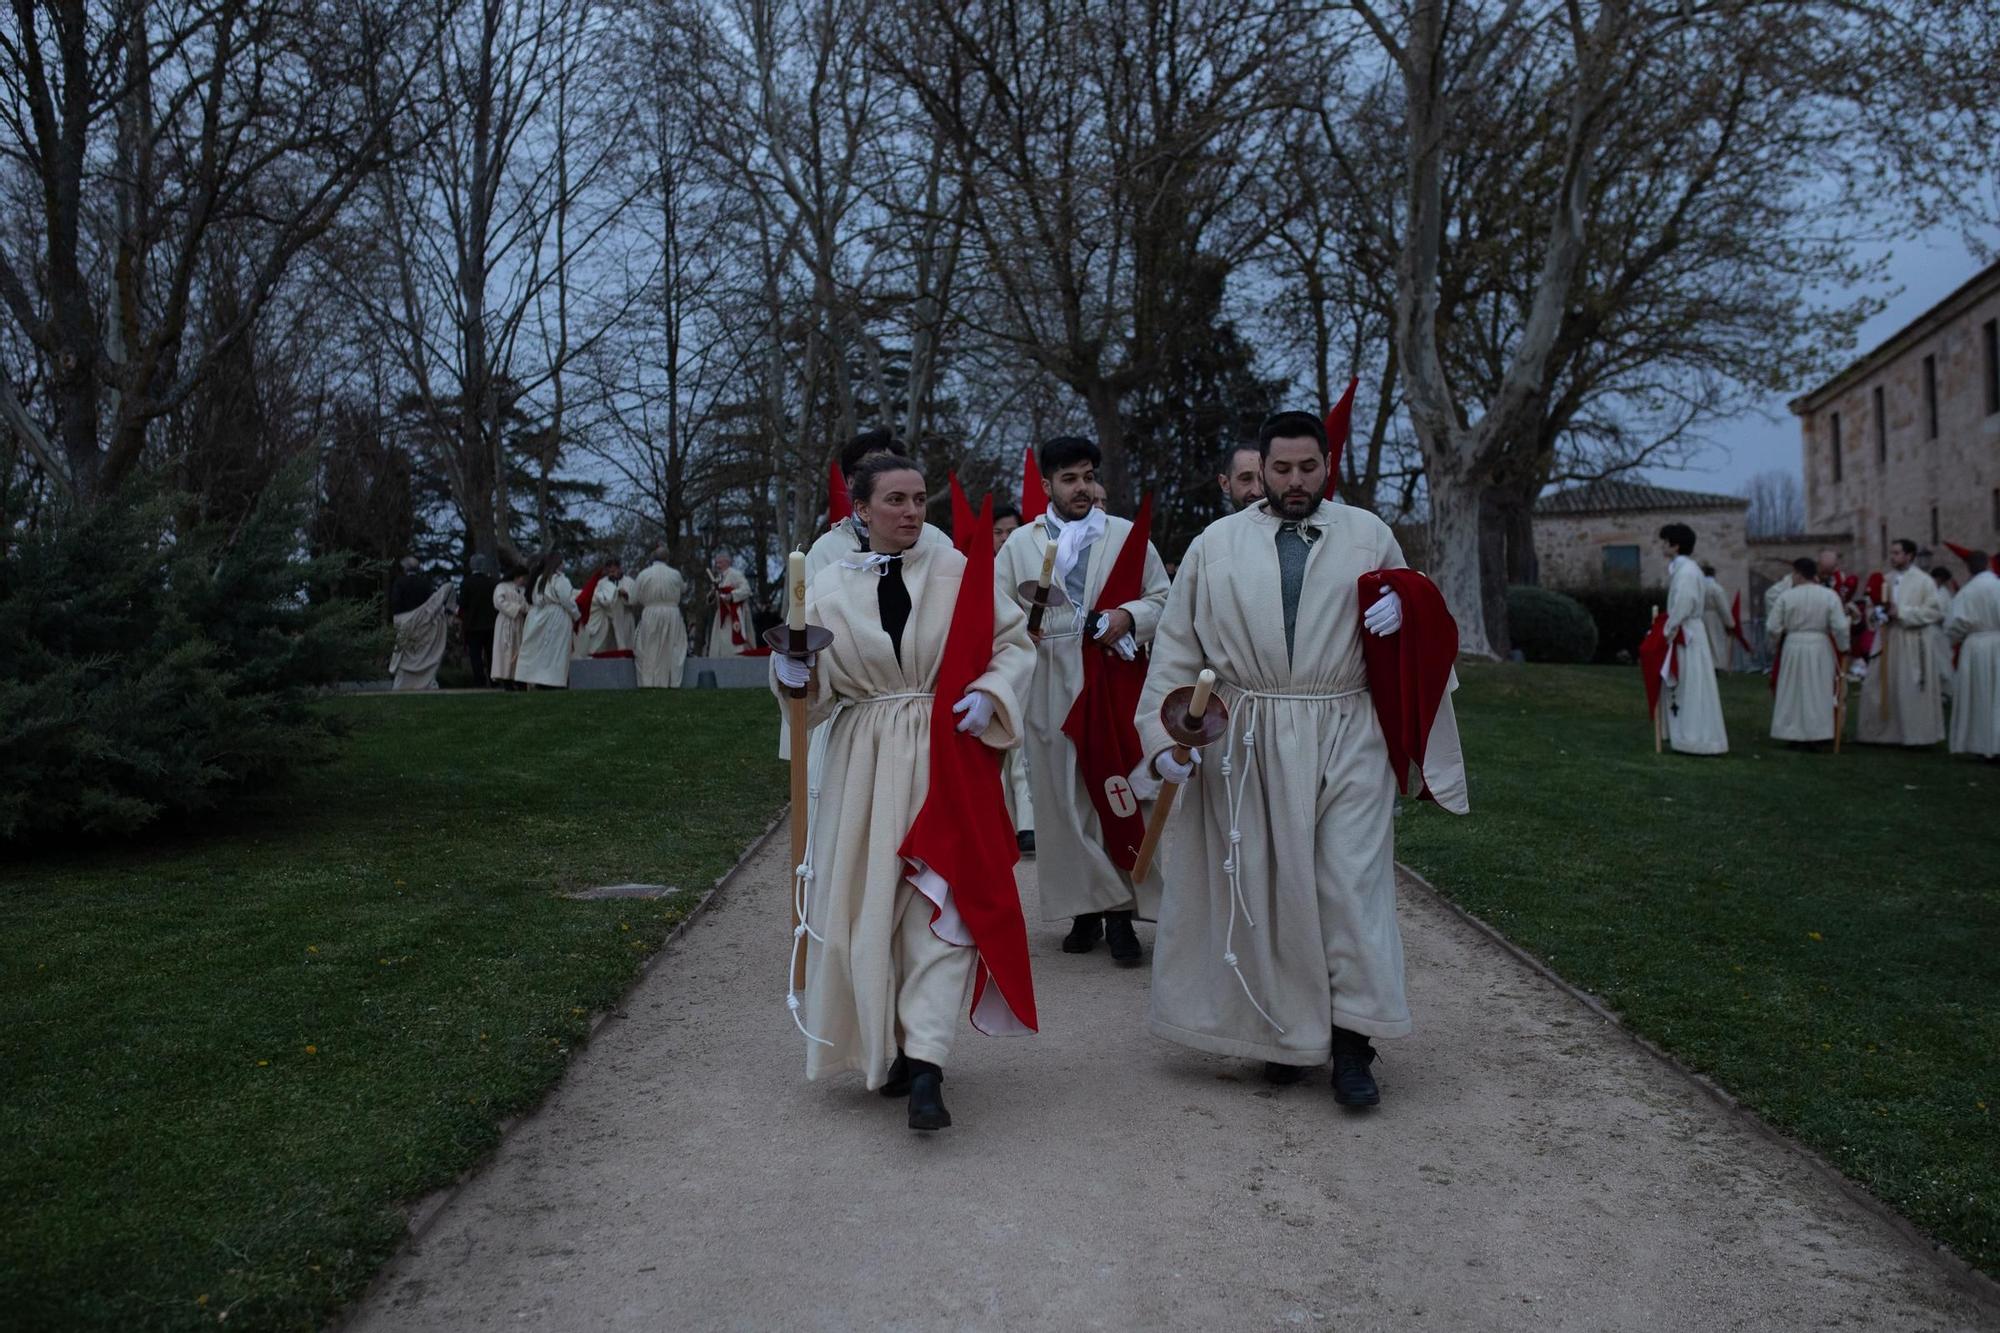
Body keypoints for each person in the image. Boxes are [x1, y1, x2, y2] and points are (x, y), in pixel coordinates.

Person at [1137, 410, 1467, 1107]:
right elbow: (1175, 650)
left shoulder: (1368, 534)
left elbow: (1421, 619)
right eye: (1280, 469)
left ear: (1327, 464)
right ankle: (1286, 1032)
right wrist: (1166, 741)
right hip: (1248, 735)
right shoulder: (1216, 544)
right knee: (1266, 886)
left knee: (1349, 884)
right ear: (1262, 468)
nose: (1294, 481)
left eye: (1307, 468)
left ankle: (1353, 1042)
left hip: (1347, 727)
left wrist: (1409, 609)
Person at [773, 452, 1035, 1130]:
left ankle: (927, 1065)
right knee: (868, 906)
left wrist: (989, 694)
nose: (912, 511)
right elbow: (815, 694)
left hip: (945, 753)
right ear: (861, 508)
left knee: (939, 906)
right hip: (864, 758)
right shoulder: (828, 586)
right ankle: (883, 1046)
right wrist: (793, 669)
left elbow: (1012, 645)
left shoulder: (957, 573)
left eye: (920, 498)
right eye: (895, 499)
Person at [995, 435, 1170, 965]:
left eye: (1088, 476)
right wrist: (1022, 628)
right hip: (1048, 675)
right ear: (1046, 484)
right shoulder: (1021, 544)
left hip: (1111, 676)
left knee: (1111, 791)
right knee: (1061, 798)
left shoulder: (1124, 537)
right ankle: (1084, 909)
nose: (1082, 488)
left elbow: (1165, 597)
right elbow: (995, 607)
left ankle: (1118, 914)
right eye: (1069, 479)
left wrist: (1128, 617)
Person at [805, 428, 951, 578]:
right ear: (851, 481)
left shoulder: (936, 540)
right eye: (874, 468)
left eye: (892, 467)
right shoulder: (826, 551)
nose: (912, 511)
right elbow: (806, 600)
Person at [1857, 538, 1947, 747]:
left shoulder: (1924, 581)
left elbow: (1934, 611)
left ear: (1910, 556)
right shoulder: (1885, 579)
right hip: (1888, 638)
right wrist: (1877, 614)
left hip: (1912, 640)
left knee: (1910, 687)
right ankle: (1883, 733)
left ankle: (1915, 735)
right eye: (1892, 553)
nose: (1893, 557)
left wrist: (1902, 612)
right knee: (1879, 684)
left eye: (1897, 553)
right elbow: (1872, 607)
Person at [1658, 523, 1729, 755]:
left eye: (1664, 541)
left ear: (1675, 545)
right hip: (1689, 630)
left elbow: (1684, 602)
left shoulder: (1687, 571)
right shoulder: (1686, 569)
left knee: (1691, 684)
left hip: (1687, 632)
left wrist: (1670, 627)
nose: (1661, 545)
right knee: (1690, 683)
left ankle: (1694, 737)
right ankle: (1688, 734)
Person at [1766, 557, 1849, 748]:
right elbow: (1840, 626)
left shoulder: (1787, 596)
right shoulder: (1829, 596)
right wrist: (1844, 647)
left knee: (1793, 689)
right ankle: (1818, 733)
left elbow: (1772, 627)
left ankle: (1793, 733)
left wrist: (1776, 641)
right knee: (1818, 689)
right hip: (1820, 646)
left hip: (1793, 646)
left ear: (1797, 573)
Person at [1946, 550, 1999, 760]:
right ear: (1987, 564)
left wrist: (1951, 643)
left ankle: (1981, 743)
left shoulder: (1966, 592)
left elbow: (1954, 625)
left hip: (1975, 647)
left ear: (1968, 567)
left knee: (1979, 696)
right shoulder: (1998, 586)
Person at [388, 556, 459, 691]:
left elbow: (396, 604)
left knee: (406, 655)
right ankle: (425, 681)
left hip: (406, 623)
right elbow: (429, 604)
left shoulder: (400, 582)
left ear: (404, 569)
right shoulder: (424, 583)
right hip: (424, 625)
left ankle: (403, 683)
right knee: (424, 653)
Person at [516, 552, 580, 688]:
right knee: (557, 650)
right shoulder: (559, 579)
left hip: (541, 615)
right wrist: (576, 615)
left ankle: (541, 680)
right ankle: (553, 681)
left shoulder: (539, 579)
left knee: (542, 650)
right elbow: (567, 600)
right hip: (557, 616)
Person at [631, 547, 689, 688]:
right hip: (672, 613)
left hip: (651, 612)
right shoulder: (675, 574)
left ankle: (649, 682)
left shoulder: (644, 574)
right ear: (667, 558)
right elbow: (683, 589)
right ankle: (673, 682)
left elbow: (634, 598)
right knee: (673, 647)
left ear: (652, 558)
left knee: (650, 648)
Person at [574, 558, 629, 657]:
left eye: (615, 569)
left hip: (622, 617)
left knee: (622, 641)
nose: (612, 572)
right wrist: (615, 592)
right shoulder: (601, 583)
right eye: (610, 570)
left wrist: (625, 596)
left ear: (619, 569)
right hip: (604, 618)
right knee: (602, 646)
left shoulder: (628, 581)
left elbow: (632, 598)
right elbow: (598, 597)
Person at [460, 555, 500, 687]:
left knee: (475, 656)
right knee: (491, 654)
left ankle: (479, 681)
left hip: (473, 625)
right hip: (490, 624)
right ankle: (494, 680)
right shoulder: (493, 582)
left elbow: (463, 604)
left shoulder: (466, 583)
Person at [705, 553, 755, 657]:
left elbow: (746, 590)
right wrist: (712, 595)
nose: (717, 565)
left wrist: (731, 595)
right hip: (722, 616)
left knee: (733, 646)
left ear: (727, 562)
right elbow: (713, 598)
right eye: (716, 563)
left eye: (720, 563)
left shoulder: (735, 574)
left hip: (735, 615)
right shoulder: (719, 578)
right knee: (720, 644)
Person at [490, 564, 529, 689]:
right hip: (506, 622)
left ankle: (519, 678)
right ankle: (506, 679)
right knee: (506, 650)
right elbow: (499, 602)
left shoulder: (522, 590)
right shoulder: (501, 587)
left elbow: (526, 604)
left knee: (518, 650)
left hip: (519, 623)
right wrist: (517, 609)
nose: (524, 580)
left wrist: (526, 609)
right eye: (523, 577)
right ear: (517, 576)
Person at [1929, 566, 1957, 703]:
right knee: (1932, 662)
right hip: (1929, 631)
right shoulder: (1927, 590)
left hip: (1941, 632)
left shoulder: (1945, 593)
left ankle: (1946, 691)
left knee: (1944, 662)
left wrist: (1944, 619)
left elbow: (1950, 612)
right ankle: (1934, 693)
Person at [1216, 441, 1265, 512]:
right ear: (1225, 483)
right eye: (1246, 479)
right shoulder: (1220, 523)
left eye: (1264, 479)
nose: (1257, 492)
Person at [1700, 562, 1733, 669]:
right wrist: (1729, 623)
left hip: (1700, 616)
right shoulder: (1716, 588)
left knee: (1704, 642)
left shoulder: (1699, 587)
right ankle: (1716, 665)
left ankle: (1705, 664)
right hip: (1714, 617)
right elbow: (1723, 607)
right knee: (1715, 641)